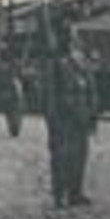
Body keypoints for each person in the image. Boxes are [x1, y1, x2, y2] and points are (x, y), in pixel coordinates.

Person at [43, 30, 97, 209]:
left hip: (81, 117)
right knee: (60, 157)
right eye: (73, 45)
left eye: (78, 46)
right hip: (63, 118)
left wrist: (92, 116)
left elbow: (91, 91)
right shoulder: (57, 65)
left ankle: (76, 193)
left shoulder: (85, 66)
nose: (77, 50)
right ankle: (59, 196)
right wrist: (52, 119)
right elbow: (51, 94)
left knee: (80, 156)